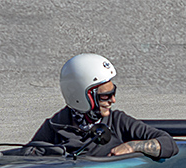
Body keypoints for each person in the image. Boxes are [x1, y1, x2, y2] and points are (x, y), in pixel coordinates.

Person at [28, 53, 177, 158]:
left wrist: (132, 146)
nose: (113, 100)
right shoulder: (55, 126)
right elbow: (25, 158)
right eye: (105, 96)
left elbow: (168, 143)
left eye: (114, 93)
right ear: (83, 96)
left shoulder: (117, 121)